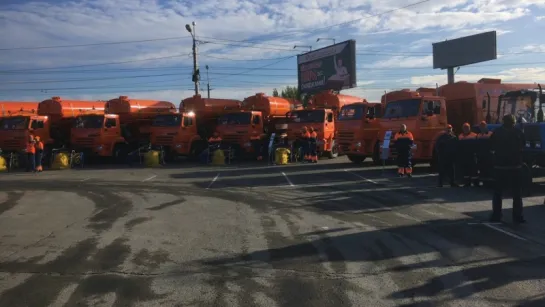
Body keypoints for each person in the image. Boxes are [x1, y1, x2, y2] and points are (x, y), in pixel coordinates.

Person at [489, 114, 526, 223]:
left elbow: (491, 147)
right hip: (515, 167)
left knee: (498, 193)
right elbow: (523, 146)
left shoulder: (497, 132)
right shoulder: (518, 133)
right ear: (513, 122)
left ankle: (496, 216)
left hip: (500, 167)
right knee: (517, 193)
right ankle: (518, 217)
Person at [457, 123, 478, 187]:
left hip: (472, 155)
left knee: (474, 169)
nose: (466, 129)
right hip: (464, 156)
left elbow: (477, 146)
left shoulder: (474, 135)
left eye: (467, 127)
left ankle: (475, 183)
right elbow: (458, 147)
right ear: (462, 128)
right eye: (464, 127)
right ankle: (467, 183)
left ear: (469, 128)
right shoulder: (460, 136)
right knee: (466, 169)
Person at [476, 121, 493, 185]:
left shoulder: (490, 134)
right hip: (480, 154)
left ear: (486, 126)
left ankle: (489, 182)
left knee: (488, 168)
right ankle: (483, 181)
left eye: (483, 126)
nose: (482, 127)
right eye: (481, 126)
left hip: (488, 154)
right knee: (481, 168)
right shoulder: (478, 135)